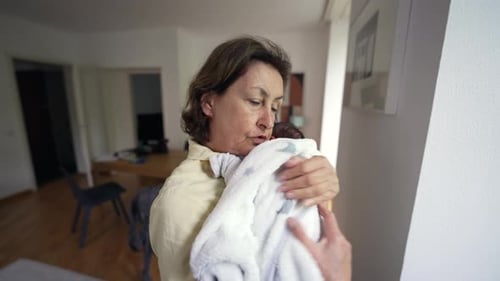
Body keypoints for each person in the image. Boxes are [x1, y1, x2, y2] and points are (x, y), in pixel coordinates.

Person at [149, 36, 340, 281]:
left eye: (274, 107)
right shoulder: (181, 202)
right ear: (209, 103)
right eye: (255, 101)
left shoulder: (269, 161)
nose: (268, 122)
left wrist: (322, 183)